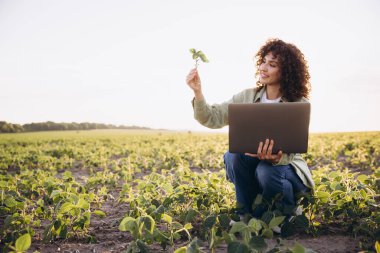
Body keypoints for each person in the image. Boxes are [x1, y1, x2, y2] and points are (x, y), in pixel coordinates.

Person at [186, 38, 315, 223]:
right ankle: (245, 215)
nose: (263, 67)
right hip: (253, 167)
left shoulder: (299, 104)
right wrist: (198, 93)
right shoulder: (247, 96)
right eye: (263, 61)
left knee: (266, 170)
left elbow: (294, 149)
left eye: (272, 65)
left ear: (286, 71)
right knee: (233, 155)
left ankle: (284, 213)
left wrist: (278, 158)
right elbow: (212, 117)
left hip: (286, 171)